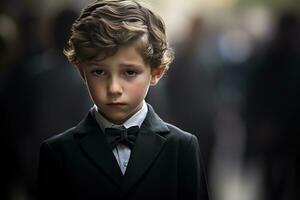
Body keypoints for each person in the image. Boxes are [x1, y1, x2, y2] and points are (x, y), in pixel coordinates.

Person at [37, 0, 209, 200]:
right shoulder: (58, 152)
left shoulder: (182, 148)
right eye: (99, 72)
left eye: (129, 72)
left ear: (156, 73)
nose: (113, 88)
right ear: (81, 70)